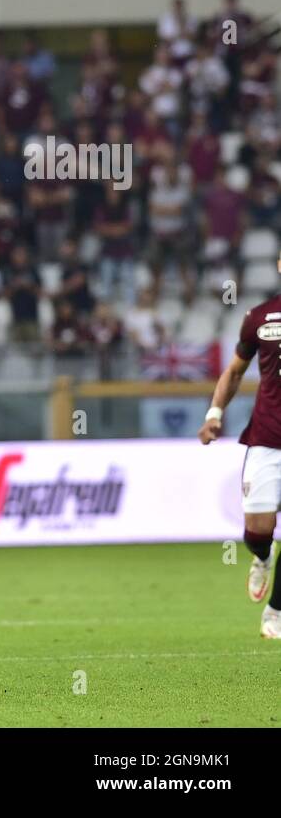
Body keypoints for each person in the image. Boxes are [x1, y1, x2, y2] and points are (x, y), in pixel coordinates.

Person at [199, 251, 281, 637]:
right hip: (267, 438)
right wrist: (214, 414)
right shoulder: (259, 318)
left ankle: (275, 614)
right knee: (258, 529)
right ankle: (262, 556)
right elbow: (234, 371)